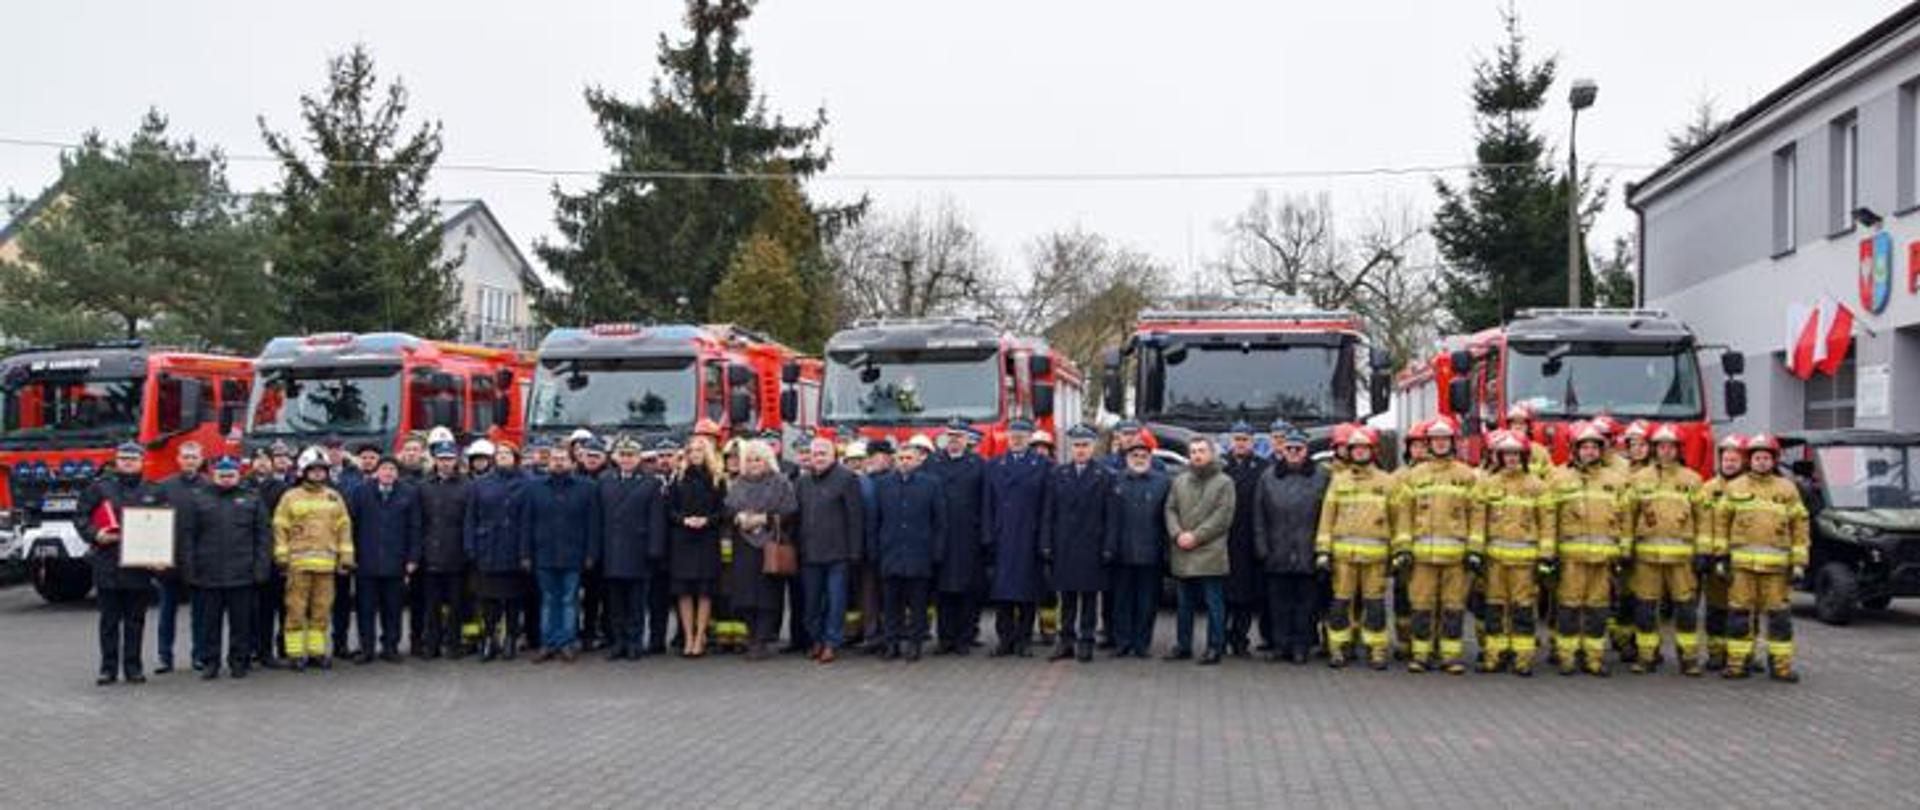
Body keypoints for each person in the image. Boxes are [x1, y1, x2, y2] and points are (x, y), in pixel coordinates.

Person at [1713, 434, 1810, 682]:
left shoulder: (1787, 488)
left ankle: (1781, 666)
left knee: (1779, 619)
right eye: (1757, 457)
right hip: (1742, 567)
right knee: (1739, 617)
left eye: (1767, 457)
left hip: (1776, 570)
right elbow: (1721, 524)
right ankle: (1737, 664)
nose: (1762, 462)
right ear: (1750, 459)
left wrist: (1799, 562)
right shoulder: (1735, 488)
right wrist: (1721, 557)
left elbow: (1800, 525)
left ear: (1774, 460)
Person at [1391, 418, 1481, 675]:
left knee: (1453, 607)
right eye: (1435, 440)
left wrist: (1474, 549)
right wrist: (1403, 549)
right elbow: (1404, 515)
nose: (1440, 444)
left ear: (1452, 443)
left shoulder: (1466, 476)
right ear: (1429, 444)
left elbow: (1476, 514)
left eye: (1445, 440)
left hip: (1456, 557)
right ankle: (1421, 655)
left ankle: (1450, 656)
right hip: (1421, 558)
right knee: (1421, 606)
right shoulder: (1414, 476)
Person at [77, 443, 166, 685]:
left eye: (133, 458)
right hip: (108, 563)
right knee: (109, 621)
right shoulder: (99, 488)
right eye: (123, 458)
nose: (128, 462)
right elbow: (81, 516)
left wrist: (162, 557)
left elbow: (164, 526)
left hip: (139, 567)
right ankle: (108, 669)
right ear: (116, 461)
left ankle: (133, 668)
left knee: (135, 621)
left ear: (142, 462)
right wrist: (95, 534)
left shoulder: (154, 491)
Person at [1624, 424, 1710, 676]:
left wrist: (1703, 552)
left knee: (1686, 610)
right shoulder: (1639, 480)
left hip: (1682, 560)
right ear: (1654, 449)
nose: (1666, 452)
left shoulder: (1692, 480)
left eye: (1671, 447)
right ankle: (1646, 656)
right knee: (1646, 609)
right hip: (1646, 557)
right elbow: (1628, 516)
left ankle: (1689, 659)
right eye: (1661, 446)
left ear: (1679, 450)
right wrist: (1626, 549)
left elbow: (1703, 519)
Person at [1548, 421, 1631, 677]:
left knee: (1598, 609)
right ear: (1575, 450)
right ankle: (1567, 658)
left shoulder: (1616, 481)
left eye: (1594, 448)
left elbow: (1625, 518)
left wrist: (1623, 552)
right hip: (1571, 558)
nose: (1590, 452)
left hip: (1603, 559)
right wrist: (1549, 554)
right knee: (1568, 608)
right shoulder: (1558, 479)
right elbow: (1550, 517)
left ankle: (1594, 659)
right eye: (1585, 448)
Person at [179, 456, 271, 680]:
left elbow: (263, 537)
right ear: (214, 476)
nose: (227, 479)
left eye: (231, 475)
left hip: (243, 573)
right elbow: (188, 537)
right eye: (222, 475)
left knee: (241, 624)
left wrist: (261, 568)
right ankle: (211, 662)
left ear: (238, 476)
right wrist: (189, 568)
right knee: (210, 624)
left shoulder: (252, 499)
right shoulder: (199, 500)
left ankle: (239, 662)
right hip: (208, 574)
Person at [1470, 430, 1552, 676]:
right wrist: (1475, 551)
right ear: (1499, 457)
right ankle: (1494, 656)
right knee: (1494, 609)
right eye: (1507, 455)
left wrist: (1546, 556)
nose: (1512, 459)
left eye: (1516, 454)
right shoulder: (1486, 485)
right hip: (1494, 561)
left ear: (1524, 457)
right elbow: (1477, 521)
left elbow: (1547, 523)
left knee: (1523, 610)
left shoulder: (1537, 486)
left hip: (1524, 563)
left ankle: (1522, 659)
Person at [1315, 427, 1396, 669]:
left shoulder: (1387, 482)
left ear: (1372, 451)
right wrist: (1323, 550)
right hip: (1343, 557)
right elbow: (1327, 518)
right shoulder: (1338, 482)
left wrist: (1398, 552)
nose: (1360, 452)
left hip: (1376, 558)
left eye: (1364, 448)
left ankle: (1377, 649)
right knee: (1340, 604)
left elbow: (1397, 519)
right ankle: (1339, 648)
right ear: (1349, 452)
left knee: (1375, 605)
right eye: (1356, 448)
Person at [1251, 425, 1328, 665]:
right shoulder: (1269, 476)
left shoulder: (1322, 476)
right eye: (1289, 448)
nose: (1294, 452)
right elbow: (1258, 515)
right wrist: (1261, 547)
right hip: (1277, 551)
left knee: (1306, 605)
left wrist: (1323, 550)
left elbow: (1329, 514)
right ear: (1282, 450)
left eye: (1299, 448)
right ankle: (1280, 645)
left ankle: (1301, 646)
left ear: (1306, 451)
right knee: (1278, 604)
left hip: (1308, 551)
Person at [275, 447, 355, 671]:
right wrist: (281, 556)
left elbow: (344, 527)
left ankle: (316, 653)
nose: (319, 474)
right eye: (314, 470)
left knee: (321, 610)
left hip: (326, 567)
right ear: (303, 471)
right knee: (296, 610)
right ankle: (294, 653)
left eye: (322, 470)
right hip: (297, 566)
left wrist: (346, 556)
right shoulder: (290, 497)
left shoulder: (333, 497)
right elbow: (280, 527)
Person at [520, 445, 602, 663]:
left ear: (573, 462)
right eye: (554, 459)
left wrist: (591, 553)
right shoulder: (534, 488)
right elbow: (527, 523)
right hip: (543, 554)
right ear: (548, 463)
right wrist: (525, 554)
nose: (558, 462)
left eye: (563, 459)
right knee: (547, 600)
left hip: (574, 554)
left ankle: (567, 643)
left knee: (569, 600)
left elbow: (593, 524)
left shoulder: (587, 488)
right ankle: (548, 643)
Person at [1039, 425, 1111, 662]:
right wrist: (1046, 543)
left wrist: (1109, 546)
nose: (1080, 450)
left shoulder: (1103, 476)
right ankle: (1066, 641)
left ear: (1093, 447)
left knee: (1089, 597)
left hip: (1092, 544)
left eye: (1085, 445)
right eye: (1076, 446)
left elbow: (1110, 516)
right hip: (1065, 545)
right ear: (1070, 448)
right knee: (1066, 596)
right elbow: (1048, 512)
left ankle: (1086, 641)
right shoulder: (1058, 474)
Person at [871, 434, 945, 661]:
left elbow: (940, 522)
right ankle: (891, 644)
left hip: (919, 554)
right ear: (895, 460)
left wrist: (937, 551)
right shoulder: (883, 485)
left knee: (918, 604)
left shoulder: (931, 484)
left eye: (909, 458)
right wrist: (876, 550)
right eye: (901, 458)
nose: (904, 462)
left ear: (918, 460)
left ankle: (915, 644)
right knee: (891, 604)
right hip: (891, 553)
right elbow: (875, 520)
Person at [724, 440, 800, 660]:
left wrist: (764, 519)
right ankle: (752, 636)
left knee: (768, 596)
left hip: (770, 544)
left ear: (767, 460)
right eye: (749, 459)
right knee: (745, 595)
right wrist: (738, 517)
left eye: (758, 459)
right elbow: (727, 510)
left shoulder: (781, 482)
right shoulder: (738, 483)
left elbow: (790, 511)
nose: (753, 463)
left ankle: (763, 639)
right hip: (744, 546)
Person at [1163, 437, 1235, 665]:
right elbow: (1170, 509)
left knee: (1214, 604)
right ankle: (1183, 645)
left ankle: (1215, 647)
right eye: (1193, 451)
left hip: (1210, 552)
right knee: (1184, 605)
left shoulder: (1224, 482)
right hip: (1183, 550)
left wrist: (1195, 536)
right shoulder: (1180, 481)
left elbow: (1222, 517)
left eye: (1202, 451)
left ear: (1212, 454)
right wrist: (1177, 534)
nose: (1197, 455)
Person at [598, 435, 668, 661]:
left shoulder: (651, 483)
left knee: (637, 602)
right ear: (616, 457)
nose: (626, 459)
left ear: (639, 458)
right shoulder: (605, 480)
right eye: (623, 455)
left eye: (631, 455)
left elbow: (656, 520)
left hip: (638, 549)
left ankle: (634, 642)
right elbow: (598, 517)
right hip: (612, 549)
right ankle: (618, 642)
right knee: (615, 602)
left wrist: (654, 549)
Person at [985, 419, 1050, 657]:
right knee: (1002, 593)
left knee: (1027, 592)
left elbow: (1047, 506)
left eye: (1022, 434)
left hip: (1028, 536)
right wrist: (987, 534)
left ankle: (1023, 639)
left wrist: (1044, 539)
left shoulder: (1043, 465)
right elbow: (987, 504)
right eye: (1013, 434)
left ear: (1030, 437)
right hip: (1003, 536)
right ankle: (1005, 639)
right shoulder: (994, 465)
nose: (1017, 438)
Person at [796, 437, 864, 664]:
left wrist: (855, 551)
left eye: (823, 453)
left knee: (836, 601)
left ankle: (831, 643)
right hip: (810, 553)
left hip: (839, 553)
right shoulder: (803, 483)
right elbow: (798, 517)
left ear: (834, 455)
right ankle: (816, 638)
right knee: (811, 604)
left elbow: (856, 519)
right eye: (815, 454)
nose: (819, 458)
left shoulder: (847, 479)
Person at [347, 457, 421, 665]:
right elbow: (351, 525)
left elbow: (415, 528)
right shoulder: (361, 492)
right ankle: (367, 648)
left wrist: (413, 558)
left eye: (392, 469)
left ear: (397, 473)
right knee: (365, 609)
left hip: (396, 562)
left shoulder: (408, 493)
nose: (388, 473)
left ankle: (390, 647)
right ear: (377, 472)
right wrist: (350, 555)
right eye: (384, 469)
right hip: (366, 561)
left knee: (393, 608)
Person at [1105, 442, 1170, 658]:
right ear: (1126, 458)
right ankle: (1123, 642)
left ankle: (1142, 644)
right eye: (1134, 455)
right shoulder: (1115, 481)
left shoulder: (1162, 483)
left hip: (1151, 554)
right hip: (1121, 553)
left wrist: (1165, 551)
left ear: (1150, 458)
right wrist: (1109, 548)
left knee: (1147, 603)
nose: (1139, 458)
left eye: (1144, 455)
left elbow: (1166, 519)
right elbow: (1109, 518)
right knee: (1121, 601)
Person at [929, 420, 988, 656]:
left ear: (967, 440)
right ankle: (945, 639)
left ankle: (965, 638)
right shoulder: (933, 463)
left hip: (968, 536)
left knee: (967, 589)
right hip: (941, 535)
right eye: (950, 436)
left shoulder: (978, 465)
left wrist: (984, 533)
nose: (954, 440)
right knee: (942, 591)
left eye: (959, 436)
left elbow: (985, 502)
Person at [466, 440, 528, 661]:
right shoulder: (480, 484)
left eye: (507, 453)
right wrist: (470, 546)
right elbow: (470, 518)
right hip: (488, 548)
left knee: (513, 599)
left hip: (514, 548)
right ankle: (489, 639)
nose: (502, 456)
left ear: (516, 457)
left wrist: (526, 552)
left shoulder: (527, 482)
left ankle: (511, 638)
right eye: (499, 453)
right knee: (488, 600)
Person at [667, 435, 726, 657]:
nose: (695, 455)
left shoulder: (716, 479)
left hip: (707, 540)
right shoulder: (678, 479)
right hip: (683, 541)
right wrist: (683, 520)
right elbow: (669, 510)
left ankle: (700, 636)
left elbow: (722, 511)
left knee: (704, 591)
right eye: (691, 451)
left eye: (699, 450)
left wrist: (707, 521)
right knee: (683, 592)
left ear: (707, 453)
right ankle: (688, 636)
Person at [156, 440, 209, 674]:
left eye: (194, 457)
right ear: (178, 459)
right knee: (167, 612)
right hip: (170, 560)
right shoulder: (163, 487)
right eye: (186, 456)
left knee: (200, 613)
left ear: (201, 459)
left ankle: (199, 655)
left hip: (199, 561)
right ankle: (164, 657)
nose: (189, 461)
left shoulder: (210, 487)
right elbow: (151, 523)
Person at [1220, 421, 1270, 658]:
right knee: (1222, 594)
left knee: (1246, 595)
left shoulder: (1263, 468)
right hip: (1223, 539)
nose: (1240, 443)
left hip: (1250, 538)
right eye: (1237, 439)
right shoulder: (1220, 466)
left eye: (1245, 440)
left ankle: (1240, 639)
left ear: (1253, 442)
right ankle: (1219, 637)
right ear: (1230, 441)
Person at [1697, 434, 1747, 672]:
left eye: (1734, 460)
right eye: (1726, 459)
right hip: (1716, 559)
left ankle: (1743, 655)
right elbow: (1703, 522)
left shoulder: (1751, 489)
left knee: (1744, 610)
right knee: (1716, 608)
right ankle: (1716, 654)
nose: (1729, 464)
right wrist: (1705, 554)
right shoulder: (1708, 489)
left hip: (1745, 560)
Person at [417, 442, 471, 659]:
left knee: (457, 605)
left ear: (456, 461)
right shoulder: (423, 486)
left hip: (457, 555)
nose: (445, 463)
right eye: (441, 459)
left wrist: (467, 550)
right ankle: (432, 645)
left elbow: (469, 521)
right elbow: (418, 522)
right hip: (430, 554)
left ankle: (454, 645)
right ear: (435, 461)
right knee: (431, 606)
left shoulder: (467, 486)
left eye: (449, 459)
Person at [332, 441, 380, 660]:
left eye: (372, 457)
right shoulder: (347, 479)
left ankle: (367, 644)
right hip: (347, 547)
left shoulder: (387, 480)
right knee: (341, 600)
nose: (368, 461)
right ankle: (339, 644)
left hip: (372, 549)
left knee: (365, 601)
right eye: (365, 457)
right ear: (358, 459)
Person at [249, 442, 294, 669]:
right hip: (250, 555)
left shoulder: (282, 489)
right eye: (258, 460)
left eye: (266, 460)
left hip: (276, 554)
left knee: (279, 605)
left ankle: (279, 648)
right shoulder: (243, 486)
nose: (262, 464)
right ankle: (257, 648)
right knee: (255, 609)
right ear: (251, 463)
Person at [853, 439, 894, 653]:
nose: (874, 459)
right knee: (868, 594)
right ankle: (871, 634)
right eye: (870, 456)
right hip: (867, 547)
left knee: (890, 594)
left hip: (890, 548)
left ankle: (890, 635)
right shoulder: (862, 482)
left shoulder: (896, 480)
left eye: (878, 455)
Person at [574, 437, 611, 652]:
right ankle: (585, 633)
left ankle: (606, 632)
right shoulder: (573, 478)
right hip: (578, 545)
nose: (592, 460)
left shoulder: (609, 479)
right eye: (588, 456)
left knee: (603, 595)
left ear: (604, 458)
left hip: (605, 546)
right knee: (583, 597)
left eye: (596, 456)